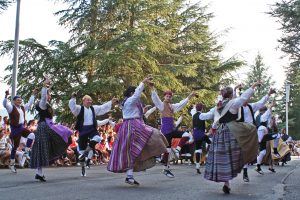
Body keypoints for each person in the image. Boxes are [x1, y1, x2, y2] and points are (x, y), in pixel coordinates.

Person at [199, 81, 261, 194]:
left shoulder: (218, 105)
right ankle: (246, 162)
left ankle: (226, 183)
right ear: (231, 95)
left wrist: (196, 112)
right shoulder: (233, 103)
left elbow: (207, 116)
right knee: (248, 135)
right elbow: (244, 98)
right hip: (232, 132)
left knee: (224, 158)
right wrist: (253, 86)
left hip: (219, 133)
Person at [107, 76, 168, 185]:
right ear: (131, 93)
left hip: (131, 125)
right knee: (154, 135)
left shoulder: (129, 102)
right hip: (132, 125)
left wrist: (143, 110)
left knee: (132, 151)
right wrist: (143, 82)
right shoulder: (130, 100)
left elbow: (135, 111)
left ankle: (130, 176)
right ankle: (157, 156)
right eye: (135, 92)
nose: (139, 94)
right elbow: (136, 95)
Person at [30, 78, 73, 182]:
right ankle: (39, 173)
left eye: (50, 94)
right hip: (44, 127)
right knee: (42, 148)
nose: (50, 96)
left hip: (48, 126)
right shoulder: (42, 103)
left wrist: (47, 86)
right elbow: (44, 97)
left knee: (45, 147)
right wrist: (44, 86)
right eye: (49, 94)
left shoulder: (47, 104)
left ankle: (39, 173)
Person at [150, 83, 196, 178]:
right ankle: (166, 169)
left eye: (170, 96)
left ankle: (177, 150)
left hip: (172, 130)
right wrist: (152, 87)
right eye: (167, 96)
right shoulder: (161, 105)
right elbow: (155, 98)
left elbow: (181, 104)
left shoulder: (172, 106)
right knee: (167, 150)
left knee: (187, 135)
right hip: (166, 132)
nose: (168, 98)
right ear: (164, 97)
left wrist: (190, 96)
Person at [69, 91, 117, 176]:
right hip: (83, 130)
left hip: (91, 128)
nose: (90, 102)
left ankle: (85, 154)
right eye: (88, 100)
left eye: (90, 100)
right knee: (82, 150)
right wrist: (73, 97)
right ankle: (83, 168)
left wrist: (111, 102)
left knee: (98, 138)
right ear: (83, 101)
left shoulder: (93, 108)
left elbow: (102, 108)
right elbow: (73, 107)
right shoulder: (80, 109)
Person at [3, 89, 38, 173]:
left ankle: (26, 151)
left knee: (32, 135)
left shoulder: (22, 108)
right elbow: (5, 104)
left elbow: (29, 103)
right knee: (14, 148)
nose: (20, 101)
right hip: (15, 129)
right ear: (14, 101)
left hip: (22, 127)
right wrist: (6, 96)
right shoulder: (11, 107)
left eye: (20, 100)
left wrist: (33, 94)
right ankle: (12, 164)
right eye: (18, 100)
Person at [190, 103, 211, 174]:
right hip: (201, 134)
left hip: (195, 134)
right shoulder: (201, 115)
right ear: (202, 108)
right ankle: (208, 155)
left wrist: (193, 107)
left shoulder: (194, 115)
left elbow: (192, 111)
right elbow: (209, 115)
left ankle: (197, 166)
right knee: (211, 143)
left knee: (198, 150)